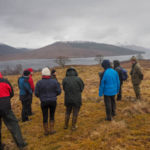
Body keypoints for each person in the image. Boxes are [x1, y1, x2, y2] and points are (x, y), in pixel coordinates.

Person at [0, 72, 27, 149]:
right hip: (6, 107)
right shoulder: (5, 81)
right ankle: (20, 144)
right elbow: (11, 93)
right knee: (14, 125)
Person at [35, 67, 61, 135]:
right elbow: (59, 91)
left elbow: (36, 93)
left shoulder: (39, 83)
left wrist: (41, 96)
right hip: (53, 101)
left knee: (45, 116)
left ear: (42, 74)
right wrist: (54, 95)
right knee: (52, 115)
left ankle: (46, 131)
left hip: (44, 101)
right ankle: (52, 130)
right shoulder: (54, 81)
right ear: (49, 74)